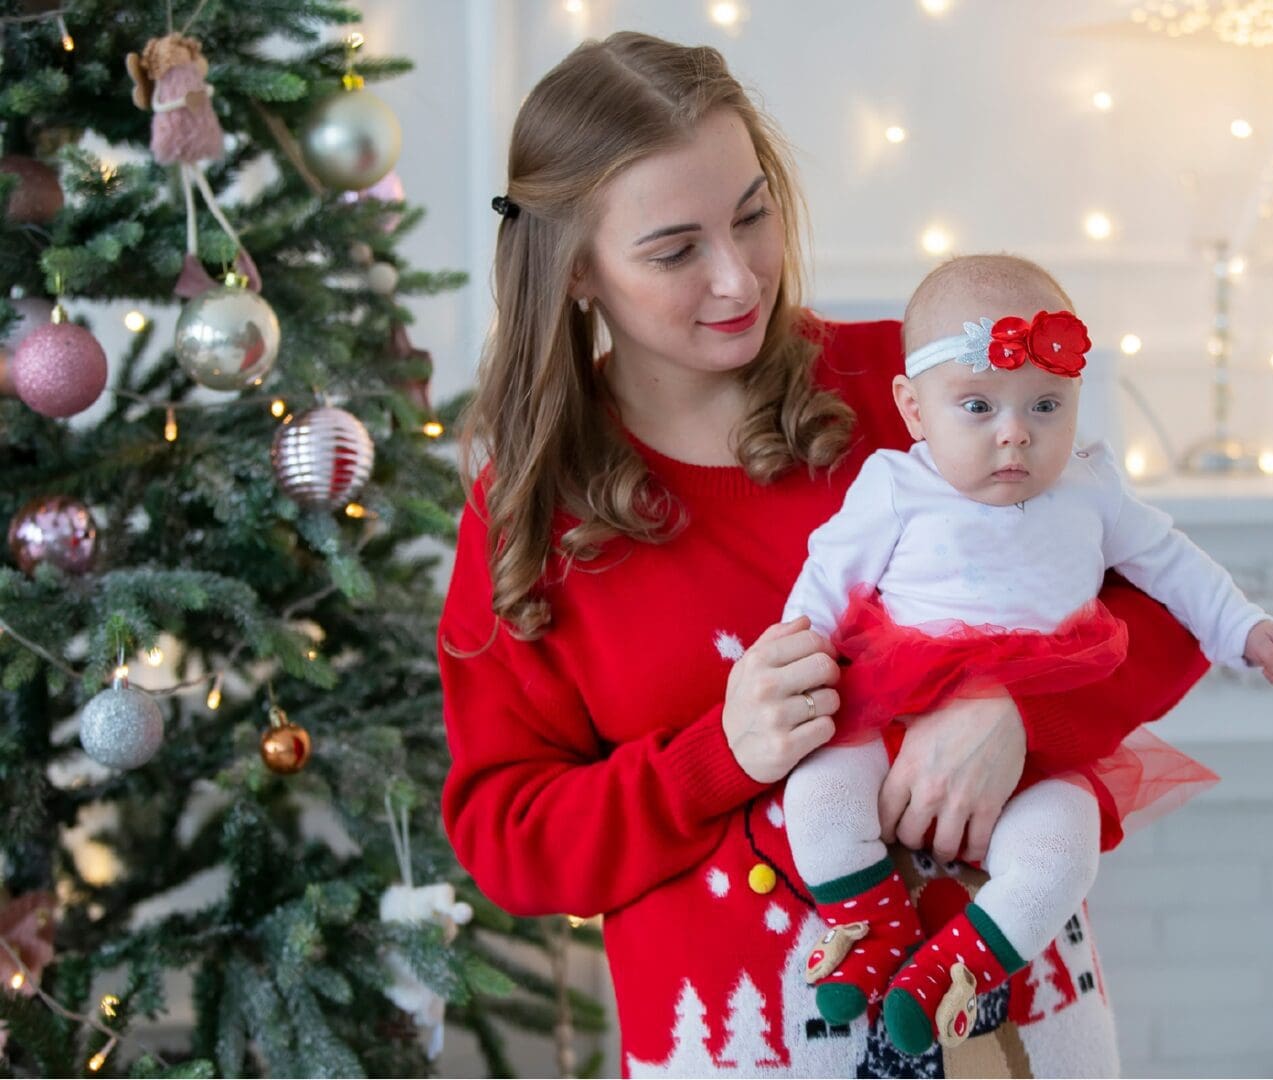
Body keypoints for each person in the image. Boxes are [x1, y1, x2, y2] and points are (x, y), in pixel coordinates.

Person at [438, 31, 1213, 1077]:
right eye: (675, 250)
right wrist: (718, 756)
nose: (736, 275)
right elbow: (509, 837)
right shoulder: (529, 510)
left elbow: (1167, 612)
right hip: (727, 1043)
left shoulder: (913, 386)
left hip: (1012, 1027)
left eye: (751, 215)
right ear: (575, 270)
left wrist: (1015, 718)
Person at [780, 253, 1273, 1057]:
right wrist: (794, 652)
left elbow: (1171, 562)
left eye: (1046, 405)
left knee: (1065, 847)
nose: (1016, 432)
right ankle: (870, 919)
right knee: (817, 793)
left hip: (1040, 736)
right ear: (914, 409)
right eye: (980, 405)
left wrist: (1243, 626)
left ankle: (954, 968)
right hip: (897, 711)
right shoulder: (895, 485)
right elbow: (826, 577)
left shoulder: (1091, 487)